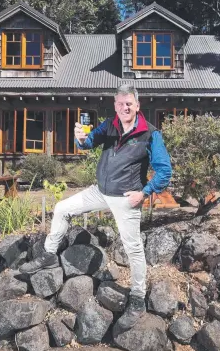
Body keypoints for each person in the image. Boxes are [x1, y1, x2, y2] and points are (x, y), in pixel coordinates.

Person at [20, 83, 172, 331]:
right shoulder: (110, 125)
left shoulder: (150, 134)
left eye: (129, 104)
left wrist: (144, 193)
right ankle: (49, 255)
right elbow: (89, 142)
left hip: (126, 197)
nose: (124, 107)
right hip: (99, 191)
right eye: (120, 103)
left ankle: (137, 297)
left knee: (133, 248)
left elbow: (165, 170)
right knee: (62, 208)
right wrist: (80, 138)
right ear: (115, 105)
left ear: (137, 105)